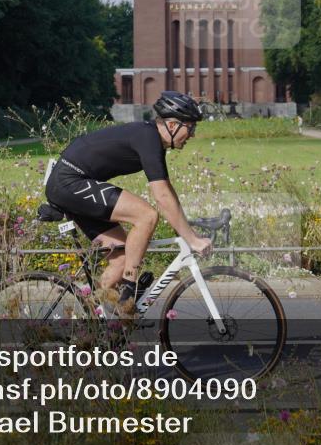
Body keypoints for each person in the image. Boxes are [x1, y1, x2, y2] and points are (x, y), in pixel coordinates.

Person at [44, 91, 213, 306]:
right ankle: (128, 289)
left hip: (70, 185)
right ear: (172, 126)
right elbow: (161, 197)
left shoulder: (152, 141)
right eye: (191, 128)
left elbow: (168, 193)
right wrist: (192, 240)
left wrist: (189, 231)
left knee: (121, 260)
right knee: (147, 216)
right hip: (70, 181)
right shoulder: (148, 138)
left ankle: (96, 321)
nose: (192, 135)